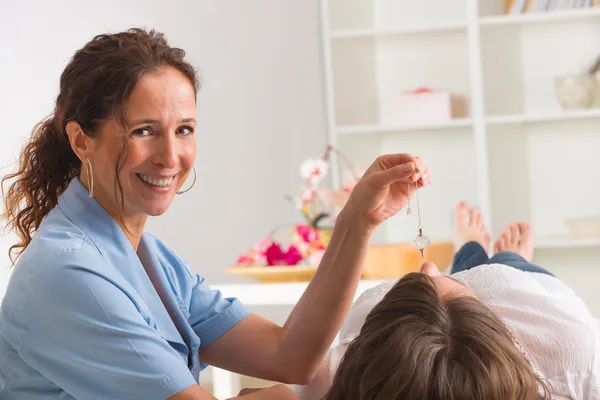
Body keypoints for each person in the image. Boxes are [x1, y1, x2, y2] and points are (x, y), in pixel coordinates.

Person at [0, 28, 431, 400]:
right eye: (144, 131)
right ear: (81, 142)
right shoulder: (69, 272)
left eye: (184, 130)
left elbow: (290, 355)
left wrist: (359, 218)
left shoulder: (152, 259)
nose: (171, 156)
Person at [294, 202, 600, 400]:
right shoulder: (575, 352)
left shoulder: (336, 375)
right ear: (501, 330)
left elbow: (292, 362)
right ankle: (483, 252)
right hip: (520, 284)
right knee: (507, 261)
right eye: (460, 286)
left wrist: (355, 221)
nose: (428, 266)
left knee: (467, 264)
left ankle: (469, 248)